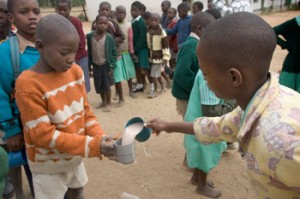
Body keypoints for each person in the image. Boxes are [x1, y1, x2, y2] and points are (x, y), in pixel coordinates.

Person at [146, 12, 300, 198]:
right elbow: (217, 126)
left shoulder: (279, 144)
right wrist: (168, 126)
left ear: (234, 77)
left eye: (205, 73)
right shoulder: (260, 103)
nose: (203, 79)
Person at [15, 14, 115, 199]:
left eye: (74, 52)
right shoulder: (27, 85)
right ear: (40, 47)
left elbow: (85, 112)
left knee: (78, 191)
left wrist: (100, 138)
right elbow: (43, 136)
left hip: (73, 155)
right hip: (47, 164)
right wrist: (92, 145)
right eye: (64, 52)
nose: (71, 59)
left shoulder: (75, 72)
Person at [0, 0, 41, 198]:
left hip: (51, 128)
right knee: (36, 178)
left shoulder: (49, 45)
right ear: (11, 18)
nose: (32, 16)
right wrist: (12, 129)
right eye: (24, 12)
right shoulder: (6, 52)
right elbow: (0, 93)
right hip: (24, 130)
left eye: (36, 11)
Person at [172, 12, 214, 118]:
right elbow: (181, 75)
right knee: (192, 123)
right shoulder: (191, 46)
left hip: (190, 95)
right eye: (211, 29)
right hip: (187, 97)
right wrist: (198, 90)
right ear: (200, 29)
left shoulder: (197, 44)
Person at [55, 0, 90, 93]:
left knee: (82, 81)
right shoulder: (55, 22)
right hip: (64, 57)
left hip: (79, 56)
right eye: (60, 10)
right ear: (56, 9)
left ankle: (84, 103)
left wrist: (74, 57)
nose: (62, 12)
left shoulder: (75, 22)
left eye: (65, 9)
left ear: (70, 9)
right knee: (69, 82)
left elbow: (81, 41)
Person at [96, 1, 126, 105]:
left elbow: (122, 36)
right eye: (102, 9)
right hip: (101, 57)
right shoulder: (95, 22)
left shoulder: (113, 22)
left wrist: (111, 43)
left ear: (110, 11)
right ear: (98, 10)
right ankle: (104, 101)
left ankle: (121, 98)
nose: (104, 12)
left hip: (114, 55)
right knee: (103, 78)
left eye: (107, 10)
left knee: (116, 77)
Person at [87, 14, 117, 112]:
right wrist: (89, 65)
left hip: (106, 65)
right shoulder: (90, 36)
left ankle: (108, 103)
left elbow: (113, 53)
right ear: (96, 24)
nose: (103, 25)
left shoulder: (109, 37)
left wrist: (112, 66)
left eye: (105, 23)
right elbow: (89, 51)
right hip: (96, 65)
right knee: (99, 85)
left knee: (107, 85)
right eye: (100, 23)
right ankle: (103, 101)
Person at [273, 16, 300, 92]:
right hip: (291, 68)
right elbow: (272, 32)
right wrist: (285, 45)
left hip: (291, 66)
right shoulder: (292, 24)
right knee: (286, 96)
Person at [115, 5, 137, 99]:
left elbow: (130, 40)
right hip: (116, 53)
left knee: (129, 73)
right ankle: (117, 93)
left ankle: (131, 90)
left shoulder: (128, 25)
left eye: (123, 13)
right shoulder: (112, 24)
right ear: (115, 13)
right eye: (119, 12)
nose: (121, 14)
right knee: (117, 74)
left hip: (126, 51)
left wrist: (131, 52)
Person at [147, 13, 170, 97]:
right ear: (149, 21)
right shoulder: (148, 30)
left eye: (155, 21)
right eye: (152, 20)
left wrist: (166, 57)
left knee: (153, 74)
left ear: (159, 21)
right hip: (151, 56)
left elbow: (165, 45)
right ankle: (163, 87)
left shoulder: (161, 32)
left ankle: (155, 91)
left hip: (158, 57)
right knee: (157, 73)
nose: (153, 22)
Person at [131, 1, 152, 94]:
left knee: (145, 68)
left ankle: (152, 86)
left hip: (141, 49)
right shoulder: (133, 21)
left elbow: (142, 37)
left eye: (135, 10)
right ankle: (139, 85)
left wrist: (135, 49)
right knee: (137, 67)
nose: (133, 12)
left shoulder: (141, 22)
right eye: (131, 10)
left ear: (140, 11)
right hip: (135, 49)